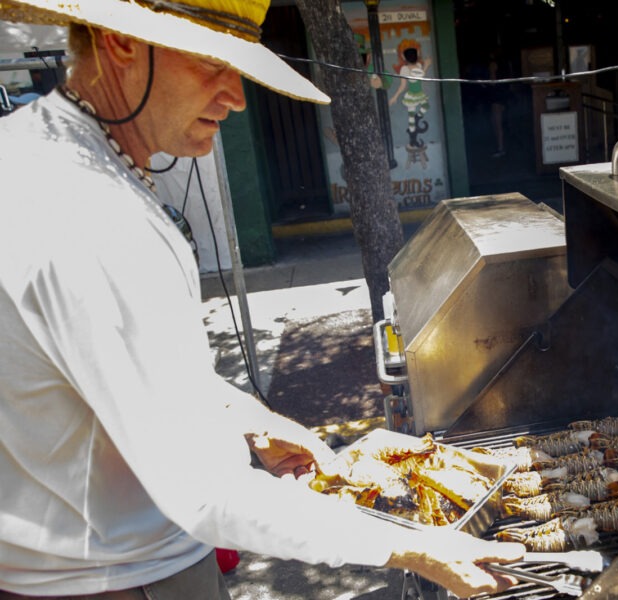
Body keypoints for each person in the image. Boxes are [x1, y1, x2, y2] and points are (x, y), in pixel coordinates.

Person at [0, 1, 524, 598]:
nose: (237, 95)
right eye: (212, 62)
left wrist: (251, 419)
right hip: (112, 579)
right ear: (122, 44)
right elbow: (202, 488)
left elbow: (121, 374)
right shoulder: (90, 212)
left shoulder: (31, 152)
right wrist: (412, 544)